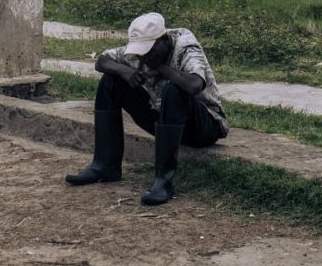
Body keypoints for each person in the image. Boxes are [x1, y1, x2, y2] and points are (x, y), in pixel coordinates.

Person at [65, 12, 227, 205]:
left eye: (150, 51)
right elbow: (102, 61)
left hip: (204, 126)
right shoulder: (139, 53)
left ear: (164, 39)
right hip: (163, 119)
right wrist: (125, 71)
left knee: (173, 90)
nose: (145, 56)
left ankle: (163, 181)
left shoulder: (185, 47)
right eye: (141, 51)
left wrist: (163, 70)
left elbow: (194, 85)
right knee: (111, 80)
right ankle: (105, 164)